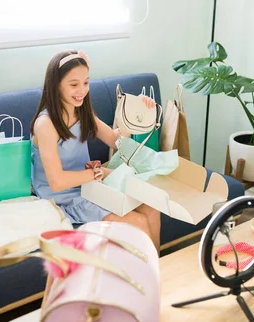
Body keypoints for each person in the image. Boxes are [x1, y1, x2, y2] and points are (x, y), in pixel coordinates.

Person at [30, 50, 161, 250]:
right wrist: (95, 174)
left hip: (90, 187)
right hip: (63, 199)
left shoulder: (82, 112)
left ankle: (156, 274)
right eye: (74, 84)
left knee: (152, 208)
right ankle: (147, 276)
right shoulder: (45, 124)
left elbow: (114, 140)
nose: (82, 90)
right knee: (138, 222)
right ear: (55, 85)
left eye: (86, 82)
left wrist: (138, 110)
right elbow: (57, 182)